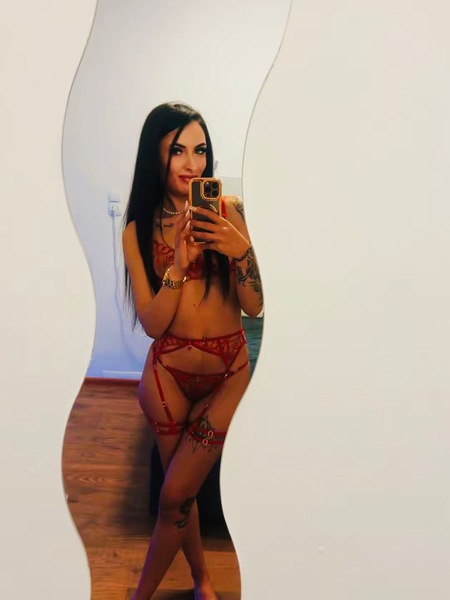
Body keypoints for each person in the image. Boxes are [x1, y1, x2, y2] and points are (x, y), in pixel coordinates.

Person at [122, 101, 263, 600]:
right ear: (155, 156)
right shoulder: (138, 230)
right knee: (177, 497)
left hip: (228, 374)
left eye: (200, 150)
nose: (192, 163)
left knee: (176, 493)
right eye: (177, 150)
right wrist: (178, 265)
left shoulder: (229, 212)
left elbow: (254, 306)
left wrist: (239, 250)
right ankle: (201, 579)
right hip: (167, 379)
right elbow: (153, 324)